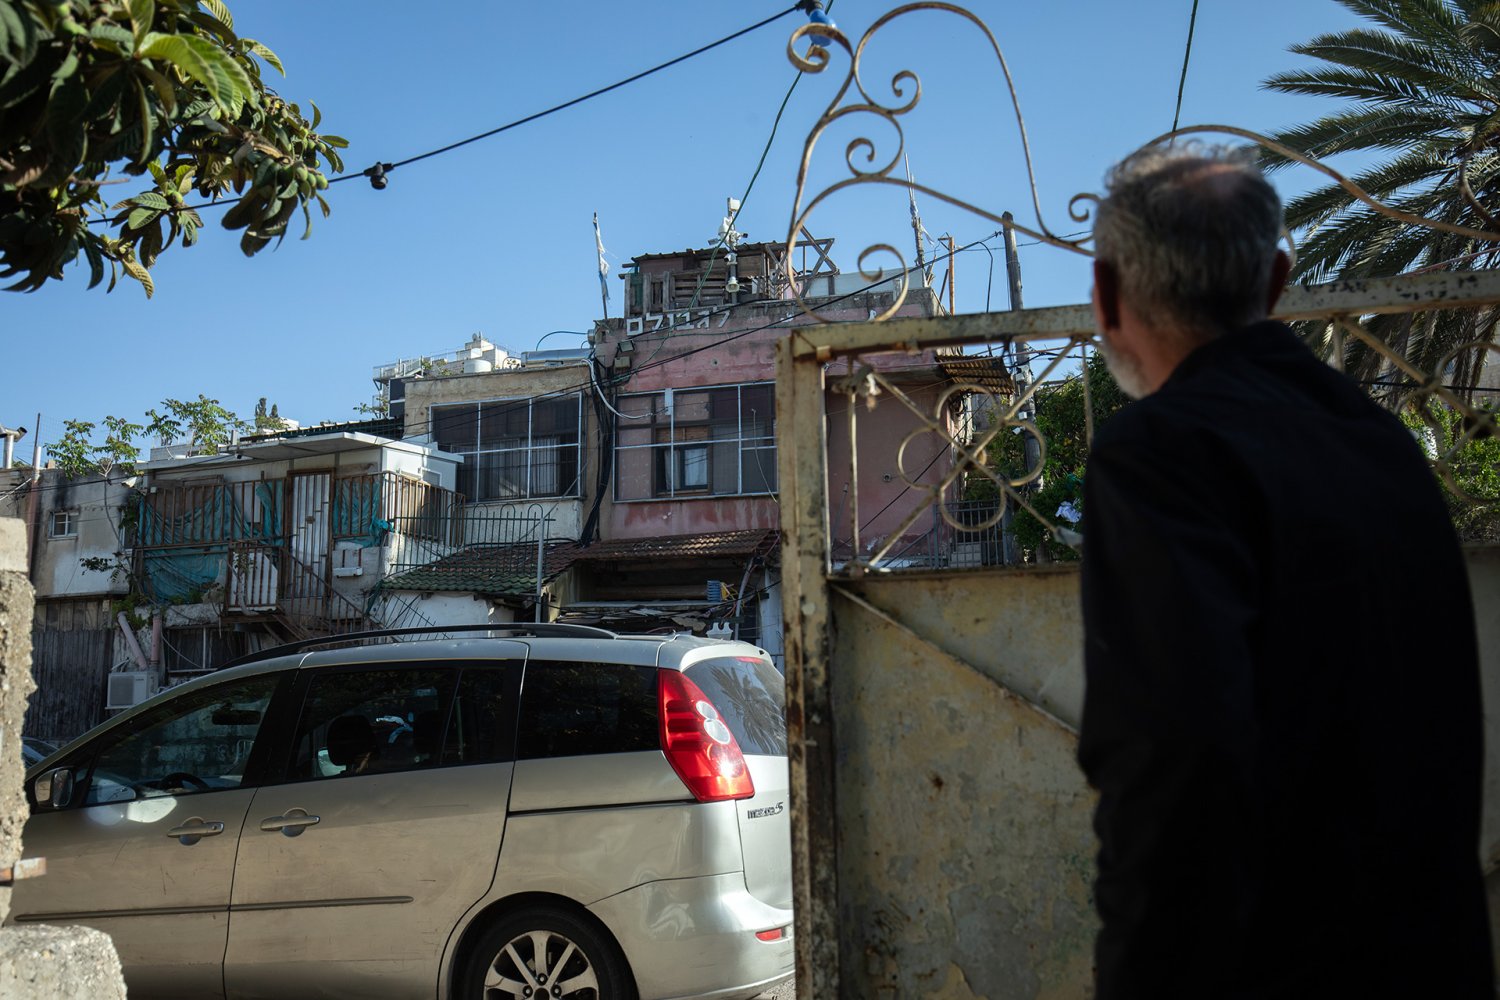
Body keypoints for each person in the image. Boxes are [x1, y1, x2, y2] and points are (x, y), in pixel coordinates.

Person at [1077, 144, 1493, 999]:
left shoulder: (1156, 454)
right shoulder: (1381, 444)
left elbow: (1175, 764)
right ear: (1273, 282)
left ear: (1107, 296)